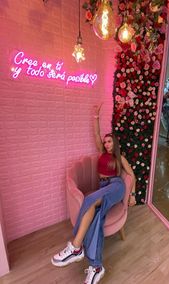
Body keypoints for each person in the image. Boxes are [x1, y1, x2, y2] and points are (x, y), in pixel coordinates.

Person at [51, 104, 136, 284]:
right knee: (96, 218)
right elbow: (96, 135)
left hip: (116, 186)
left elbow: (132, 175)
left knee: (89, 198)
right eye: (105, 142)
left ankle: (76, 247)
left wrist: (132, 195)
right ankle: (96, 267)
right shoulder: (101, 153)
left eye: (109, 141)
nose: (106, 143)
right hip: (103, 187)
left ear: (115, 143)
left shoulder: (120, 158)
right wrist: (96, 118)